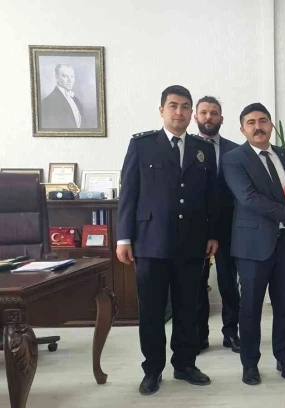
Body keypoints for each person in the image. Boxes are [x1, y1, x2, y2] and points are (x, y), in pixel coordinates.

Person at [117, 85, 219, 395]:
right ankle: (152, 369)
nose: (179, 112)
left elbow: (211, 196)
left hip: (192, 242)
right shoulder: (142, 145)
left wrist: (213, 233)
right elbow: (129, 193)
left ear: (192, 113)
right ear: (162, 110)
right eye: (173, 105)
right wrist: (124, 237)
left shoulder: (203, 148)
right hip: (151, 242)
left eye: (186, 106)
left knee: (189, 308)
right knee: (152, 311)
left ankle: (185, 364)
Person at [222, 102, 285, 386]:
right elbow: (249, 198)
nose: (258, 126)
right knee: (250, 308)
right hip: (252, 246)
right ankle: (250, 364)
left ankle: (284, 359)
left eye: (263, 120)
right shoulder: (233, 159)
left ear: (271, 125)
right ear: (242, 129)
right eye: (251, 122)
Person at [193, 96, 241, 354]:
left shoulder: (236, 150)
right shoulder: (186, 148)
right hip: (196, 227)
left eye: (213, 113)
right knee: (197, 283)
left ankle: (231, 332)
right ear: (196, 117)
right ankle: (200, 334)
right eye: (204, 112)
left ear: (221, 118)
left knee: (228, 282)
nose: (208, 117)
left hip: (228, 226)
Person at [41, 64, 84, 128]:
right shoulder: (48, 102)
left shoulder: (75, 99)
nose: (70, 80)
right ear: (57, 78)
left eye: (72, 76)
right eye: (65, 76)